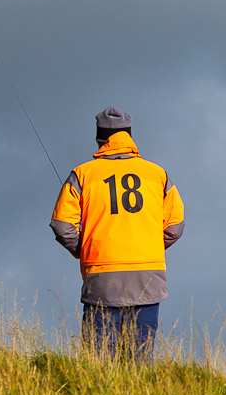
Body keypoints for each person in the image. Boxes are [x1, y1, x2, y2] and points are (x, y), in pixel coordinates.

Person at [50, 107, 184, 361]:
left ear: (100, 139)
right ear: (129, 136)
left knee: (100, 359)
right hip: (148, 275)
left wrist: (84, 248)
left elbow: (61, 226)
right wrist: (149, 246)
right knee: (140, 357)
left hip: (102, 275)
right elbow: (175, 226)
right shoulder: (158, 174)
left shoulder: (82, 174)